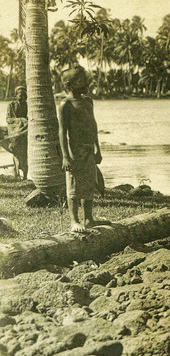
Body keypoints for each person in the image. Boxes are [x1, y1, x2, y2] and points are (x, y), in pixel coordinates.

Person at [58, 66, 103, 233]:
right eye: (80, 81)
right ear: (69, 84)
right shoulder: (66, 104)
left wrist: (98, 148)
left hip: (89, 148)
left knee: (89, 183)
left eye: (85, 79)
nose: (85, 83)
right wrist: (65, 156)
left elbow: (93, 125)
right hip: (74, 149)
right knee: (74, 186)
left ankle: (89, 218)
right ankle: (74, 220)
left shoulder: (88, 101)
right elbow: (62, 132)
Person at [6, 86, 27, 180]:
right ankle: (17, 174)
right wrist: (20, 121)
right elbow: (8, 119)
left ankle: (25, 175)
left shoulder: (27, 105)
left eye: (24, 95)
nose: (23, 97)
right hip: (15, 133)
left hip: (24, 132)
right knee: (16, 152)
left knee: (25, 154)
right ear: (16, 95)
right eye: (20, 95)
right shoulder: (11, 105)